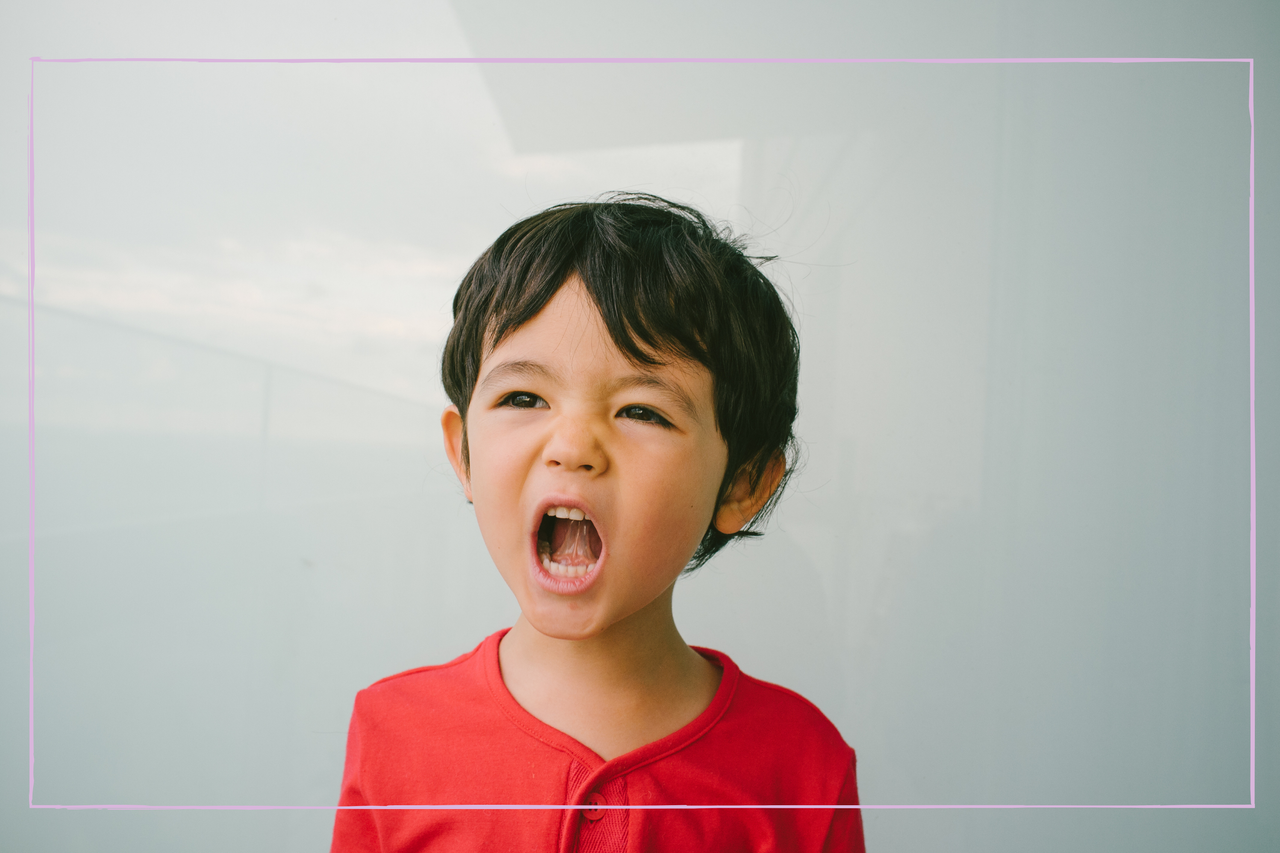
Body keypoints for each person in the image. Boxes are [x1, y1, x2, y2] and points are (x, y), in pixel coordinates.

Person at [330, 193, 865, 852]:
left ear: (744, 483)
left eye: (642, 411)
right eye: (523, 397)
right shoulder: (393, 729)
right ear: (462, 451)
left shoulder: (802, 766)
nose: (572, 444)